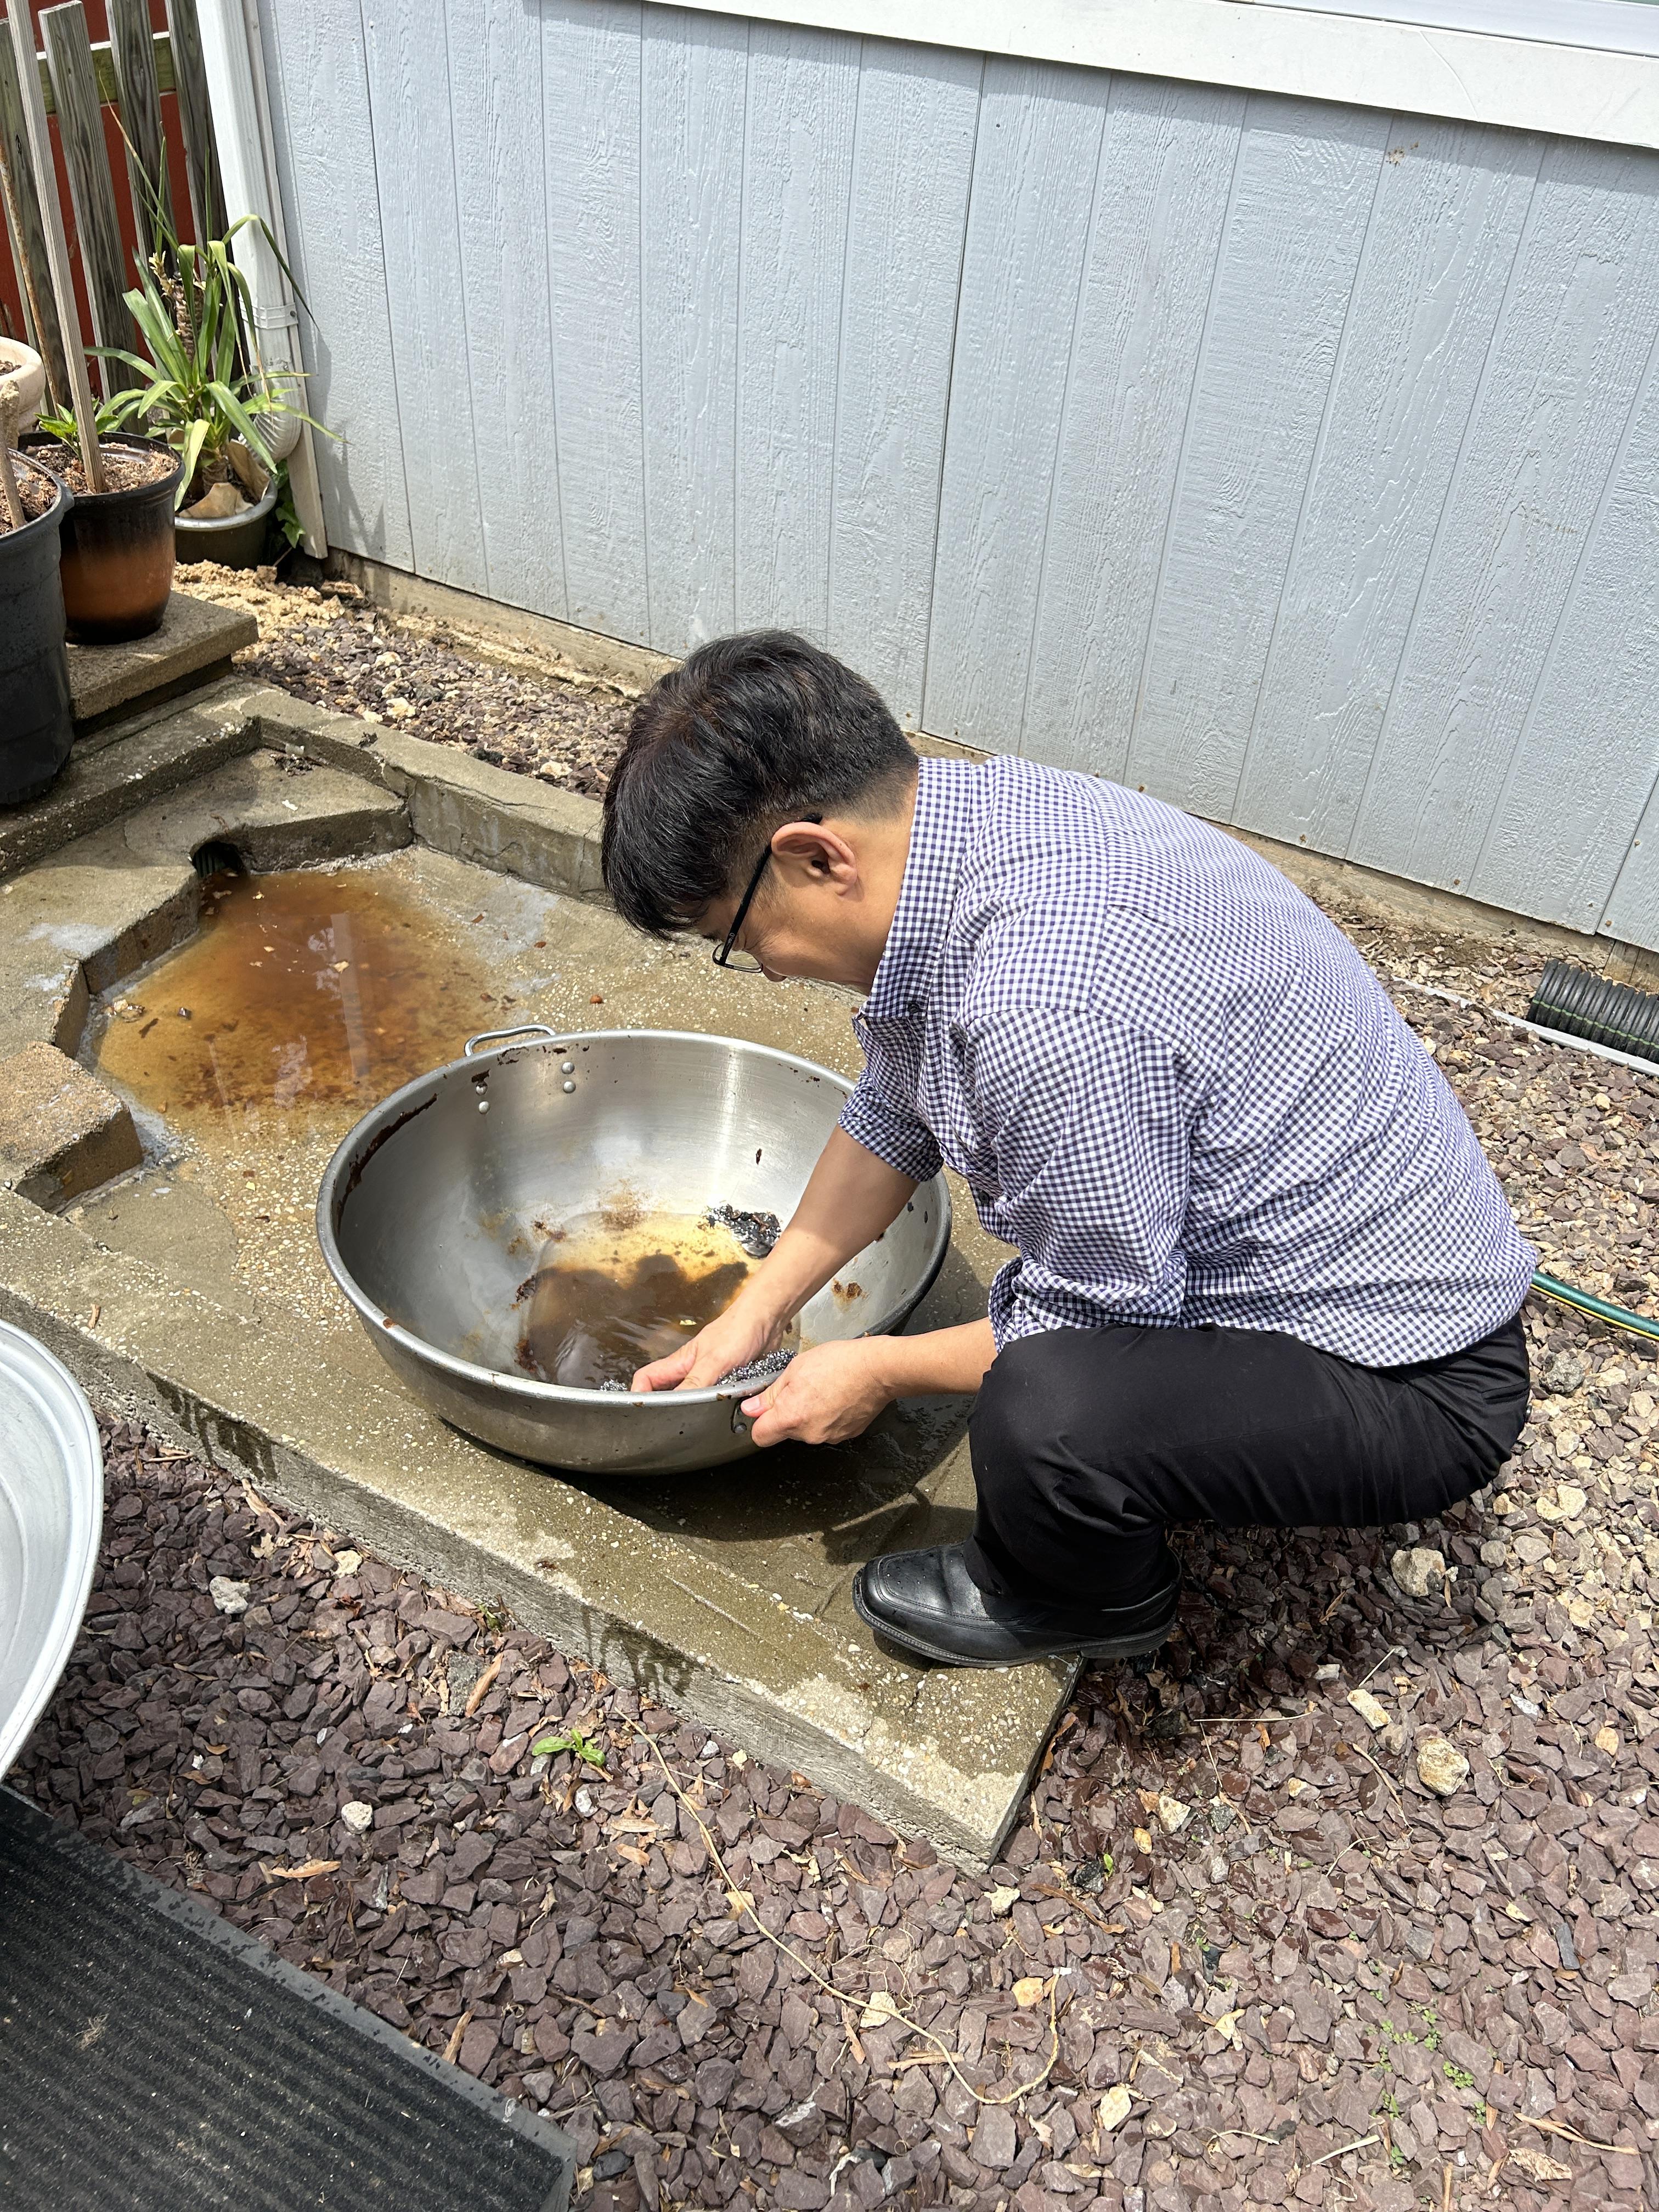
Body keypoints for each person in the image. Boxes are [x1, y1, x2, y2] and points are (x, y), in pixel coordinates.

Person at [601, 631, 1535, 1668]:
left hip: (1413, 1376)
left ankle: (1078, 1600)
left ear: (818, 858)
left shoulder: (1042, 1007)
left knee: (1045, 1411)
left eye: (739, 940)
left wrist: (873, 1370)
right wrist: (760, 1307)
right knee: (1044, 1370)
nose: (767, 972)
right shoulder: (976, 822)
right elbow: (895, 1108)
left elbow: (1094, 1321)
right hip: (1344, 1264)